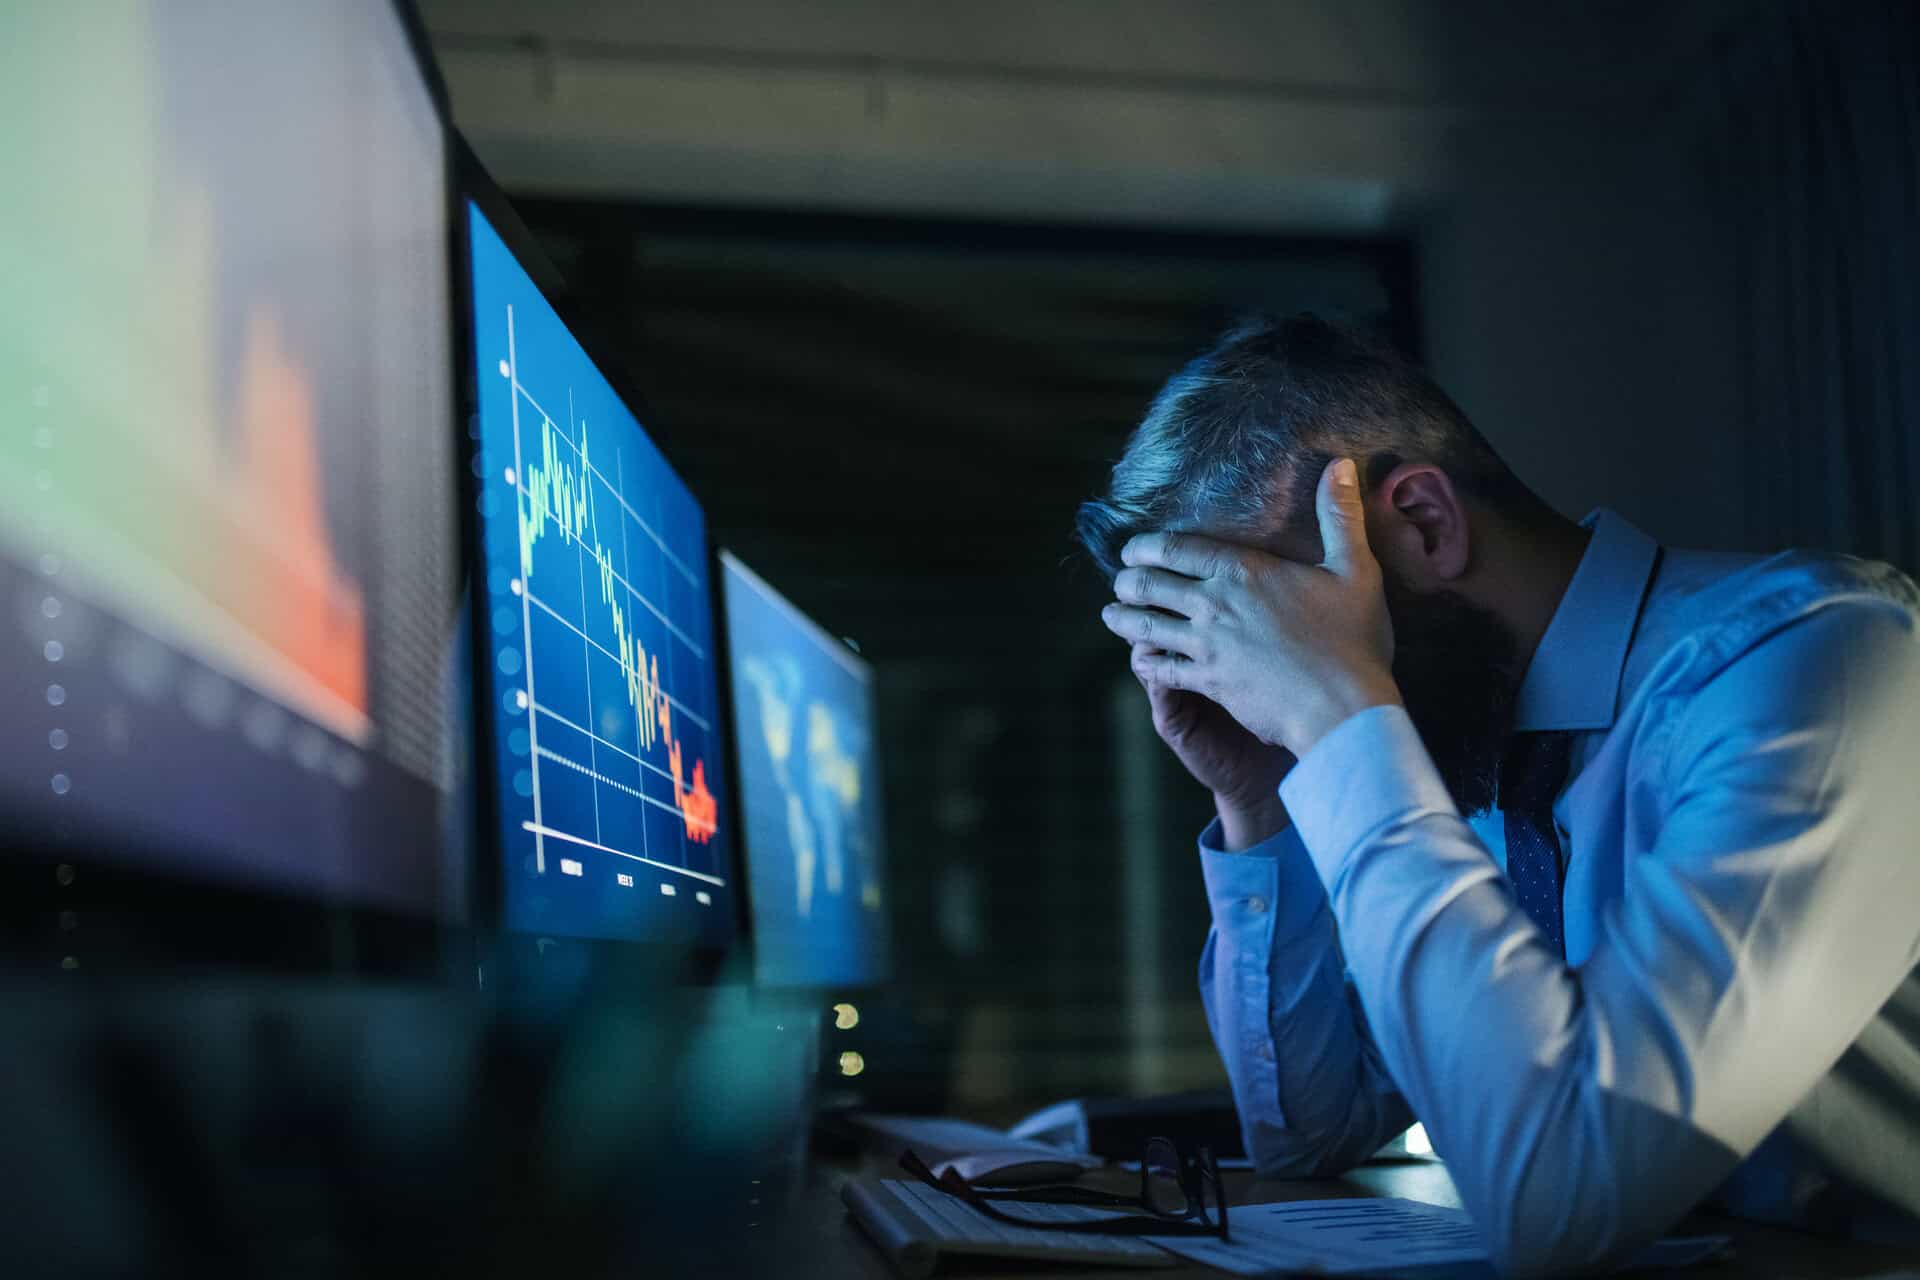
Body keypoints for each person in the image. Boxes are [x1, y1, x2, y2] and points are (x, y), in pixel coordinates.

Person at [1078, 315, 1920, 1275]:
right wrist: (1262, 801)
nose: (1257, 681)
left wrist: (1338, 714)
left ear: (1423, 524)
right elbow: (1310, 1135)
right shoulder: (1455, 732)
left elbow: (1567, 1200)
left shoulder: (1821, 662)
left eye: (1271, 622)